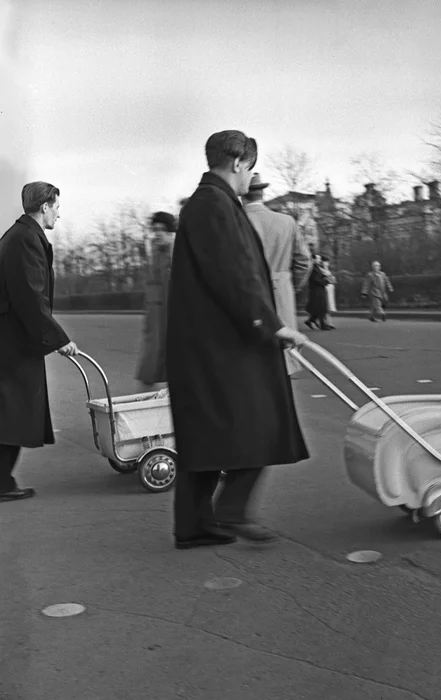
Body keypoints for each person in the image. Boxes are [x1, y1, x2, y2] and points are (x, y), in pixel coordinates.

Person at [166, 130, 309, 550]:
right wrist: (270, 324)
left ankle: (194, 526)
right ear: (239, 163)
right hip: (226, 342)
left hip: (207, 342)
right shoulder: (215, 206)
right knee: (264, 421)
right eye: (251, 169)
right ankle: (230, 509)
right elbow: (234, 274)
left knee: (207, 434)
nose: (251, 181)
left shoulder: (207, 203)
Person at [0, 182, 79, 502]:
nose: (59, 213)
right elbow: (30, 297)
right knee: (14, 412)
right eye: (57, 206)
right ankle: (2, 484)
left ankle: (3, 481)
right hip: (14, 342)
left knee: (10, 411)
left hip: (12, 339)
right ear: (45, 206)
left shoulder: (18, 236)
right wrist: (58, 339)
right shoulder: (25, 239)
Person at [242, 173, 312, 375]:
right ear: (262, 192)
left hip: (249, 294)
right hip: (281, 290)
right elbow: (303, 261)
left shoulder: (236, 222)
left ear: (242, 194)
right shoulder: (286, 222)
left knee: (252, 360)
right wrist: (291, 285)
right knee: (282, 356)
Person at [136, 211, 176, 391]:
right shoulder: (158, 253)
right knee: (154, 358)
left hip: (172, 314)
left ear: (171, 231)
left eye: (162, 229)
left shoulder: (177, 252)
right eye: (155, 229)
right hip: (157, 316)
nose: (157, 233)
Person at [304, 254, 332, 330]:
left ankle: (311, 320)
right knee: (321, 307)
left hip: (319, 289)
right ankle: (323, 325)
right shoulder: (313, 268)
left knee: (319, 307)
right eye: (318, 258)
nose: (320, 260)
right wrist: (325, 281)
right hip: (317, 290)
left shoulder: (317, 267)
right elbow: (316, 279)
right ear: (313, 259)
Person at [321, 255, 337, 329]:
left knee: (329, 306)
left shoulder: (328, 270)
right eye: (325, 262)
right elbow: (325, 279)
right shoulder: (321, 270)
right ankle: (327, 322)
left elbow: (332, 280)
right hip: (325, 288)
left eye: (327, 262)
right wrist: (330, 279)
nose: (327, 264)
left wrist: (332, 280)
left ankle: (328, 322)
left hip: (330, 289)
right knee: (326, 306)